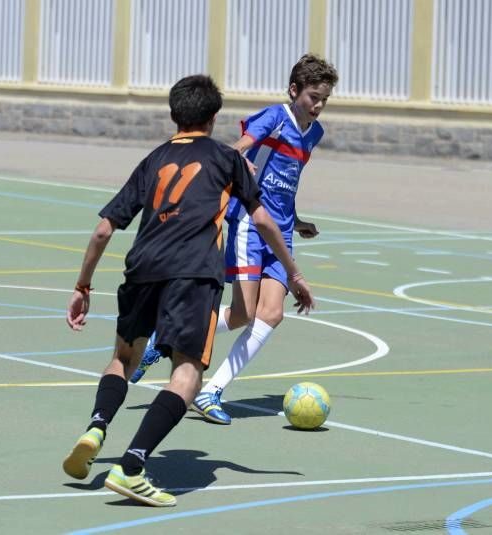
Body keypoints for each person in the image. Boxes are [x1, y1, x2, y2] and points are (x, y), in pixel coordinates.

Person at [61, 74, 314, 507]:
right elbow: (265, 221)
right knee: (188, 372)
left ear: (174, 114)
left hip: (141, 268)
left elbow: (104, 230)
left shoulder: (154, 158)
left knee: (122, 358)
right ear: (214, 118)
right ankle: (133, 466)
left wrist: (83, 285)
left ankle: (97, 427)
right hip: (193, 274)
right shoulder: (224, 158)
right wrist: (293, 274)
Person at [131, 55, 337, 426]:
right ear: (294, 91)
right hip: (248, 222)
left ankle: (212, 391)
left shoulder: (314, 134)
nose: (318, 105)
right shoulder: (275, 118)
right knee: (242, 314)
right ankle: (165, 338)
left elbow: (286, 182)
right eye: (312, 97)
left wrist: (298, 219)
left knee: (271, 314)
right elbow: (233, 148)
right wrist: (241, 158)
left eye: (324, 98)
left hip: (282, 230)